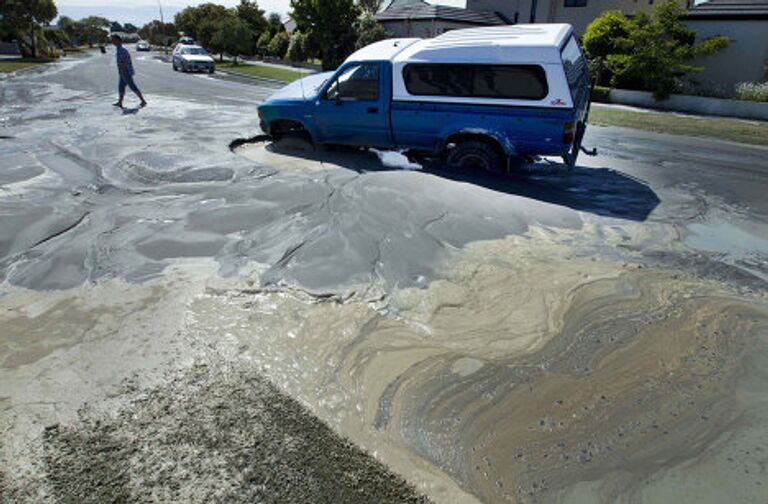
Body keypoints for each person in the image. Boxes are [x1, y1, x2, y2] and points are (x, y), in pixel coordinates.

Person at [111, 34, 147, 109]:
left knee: (132, 86)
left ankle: (143, 100)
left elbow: (126, 61)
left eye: (114, 40)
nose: (112, 42)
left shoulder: (123, 49)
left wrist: (123, 69)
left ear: (118, 40)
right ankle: (120, 102)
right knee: (121, 87)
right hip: (122, 72)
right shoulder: (118, 49)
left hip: (125, 71)